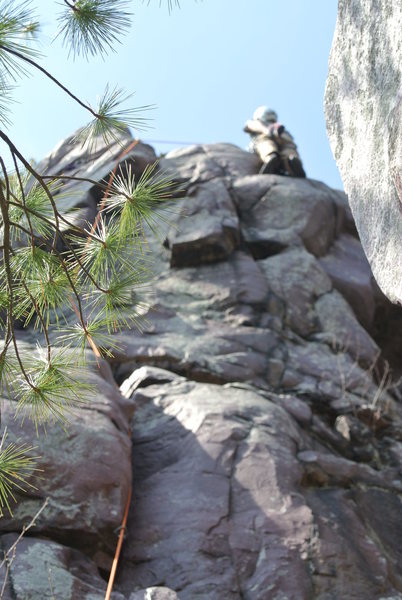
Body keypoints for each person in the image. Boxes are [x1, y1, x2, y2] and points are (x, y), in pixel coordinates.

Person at [244, 106, 306, 177]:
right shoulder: (256, 123)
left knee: (287, 148)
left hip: (277, 139)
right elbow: (252, 125)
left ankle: (287, 162)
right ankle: (276, 159)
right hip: (267, 138)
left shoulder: (277, 126)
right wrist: (266, 130)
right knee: (267, 144)